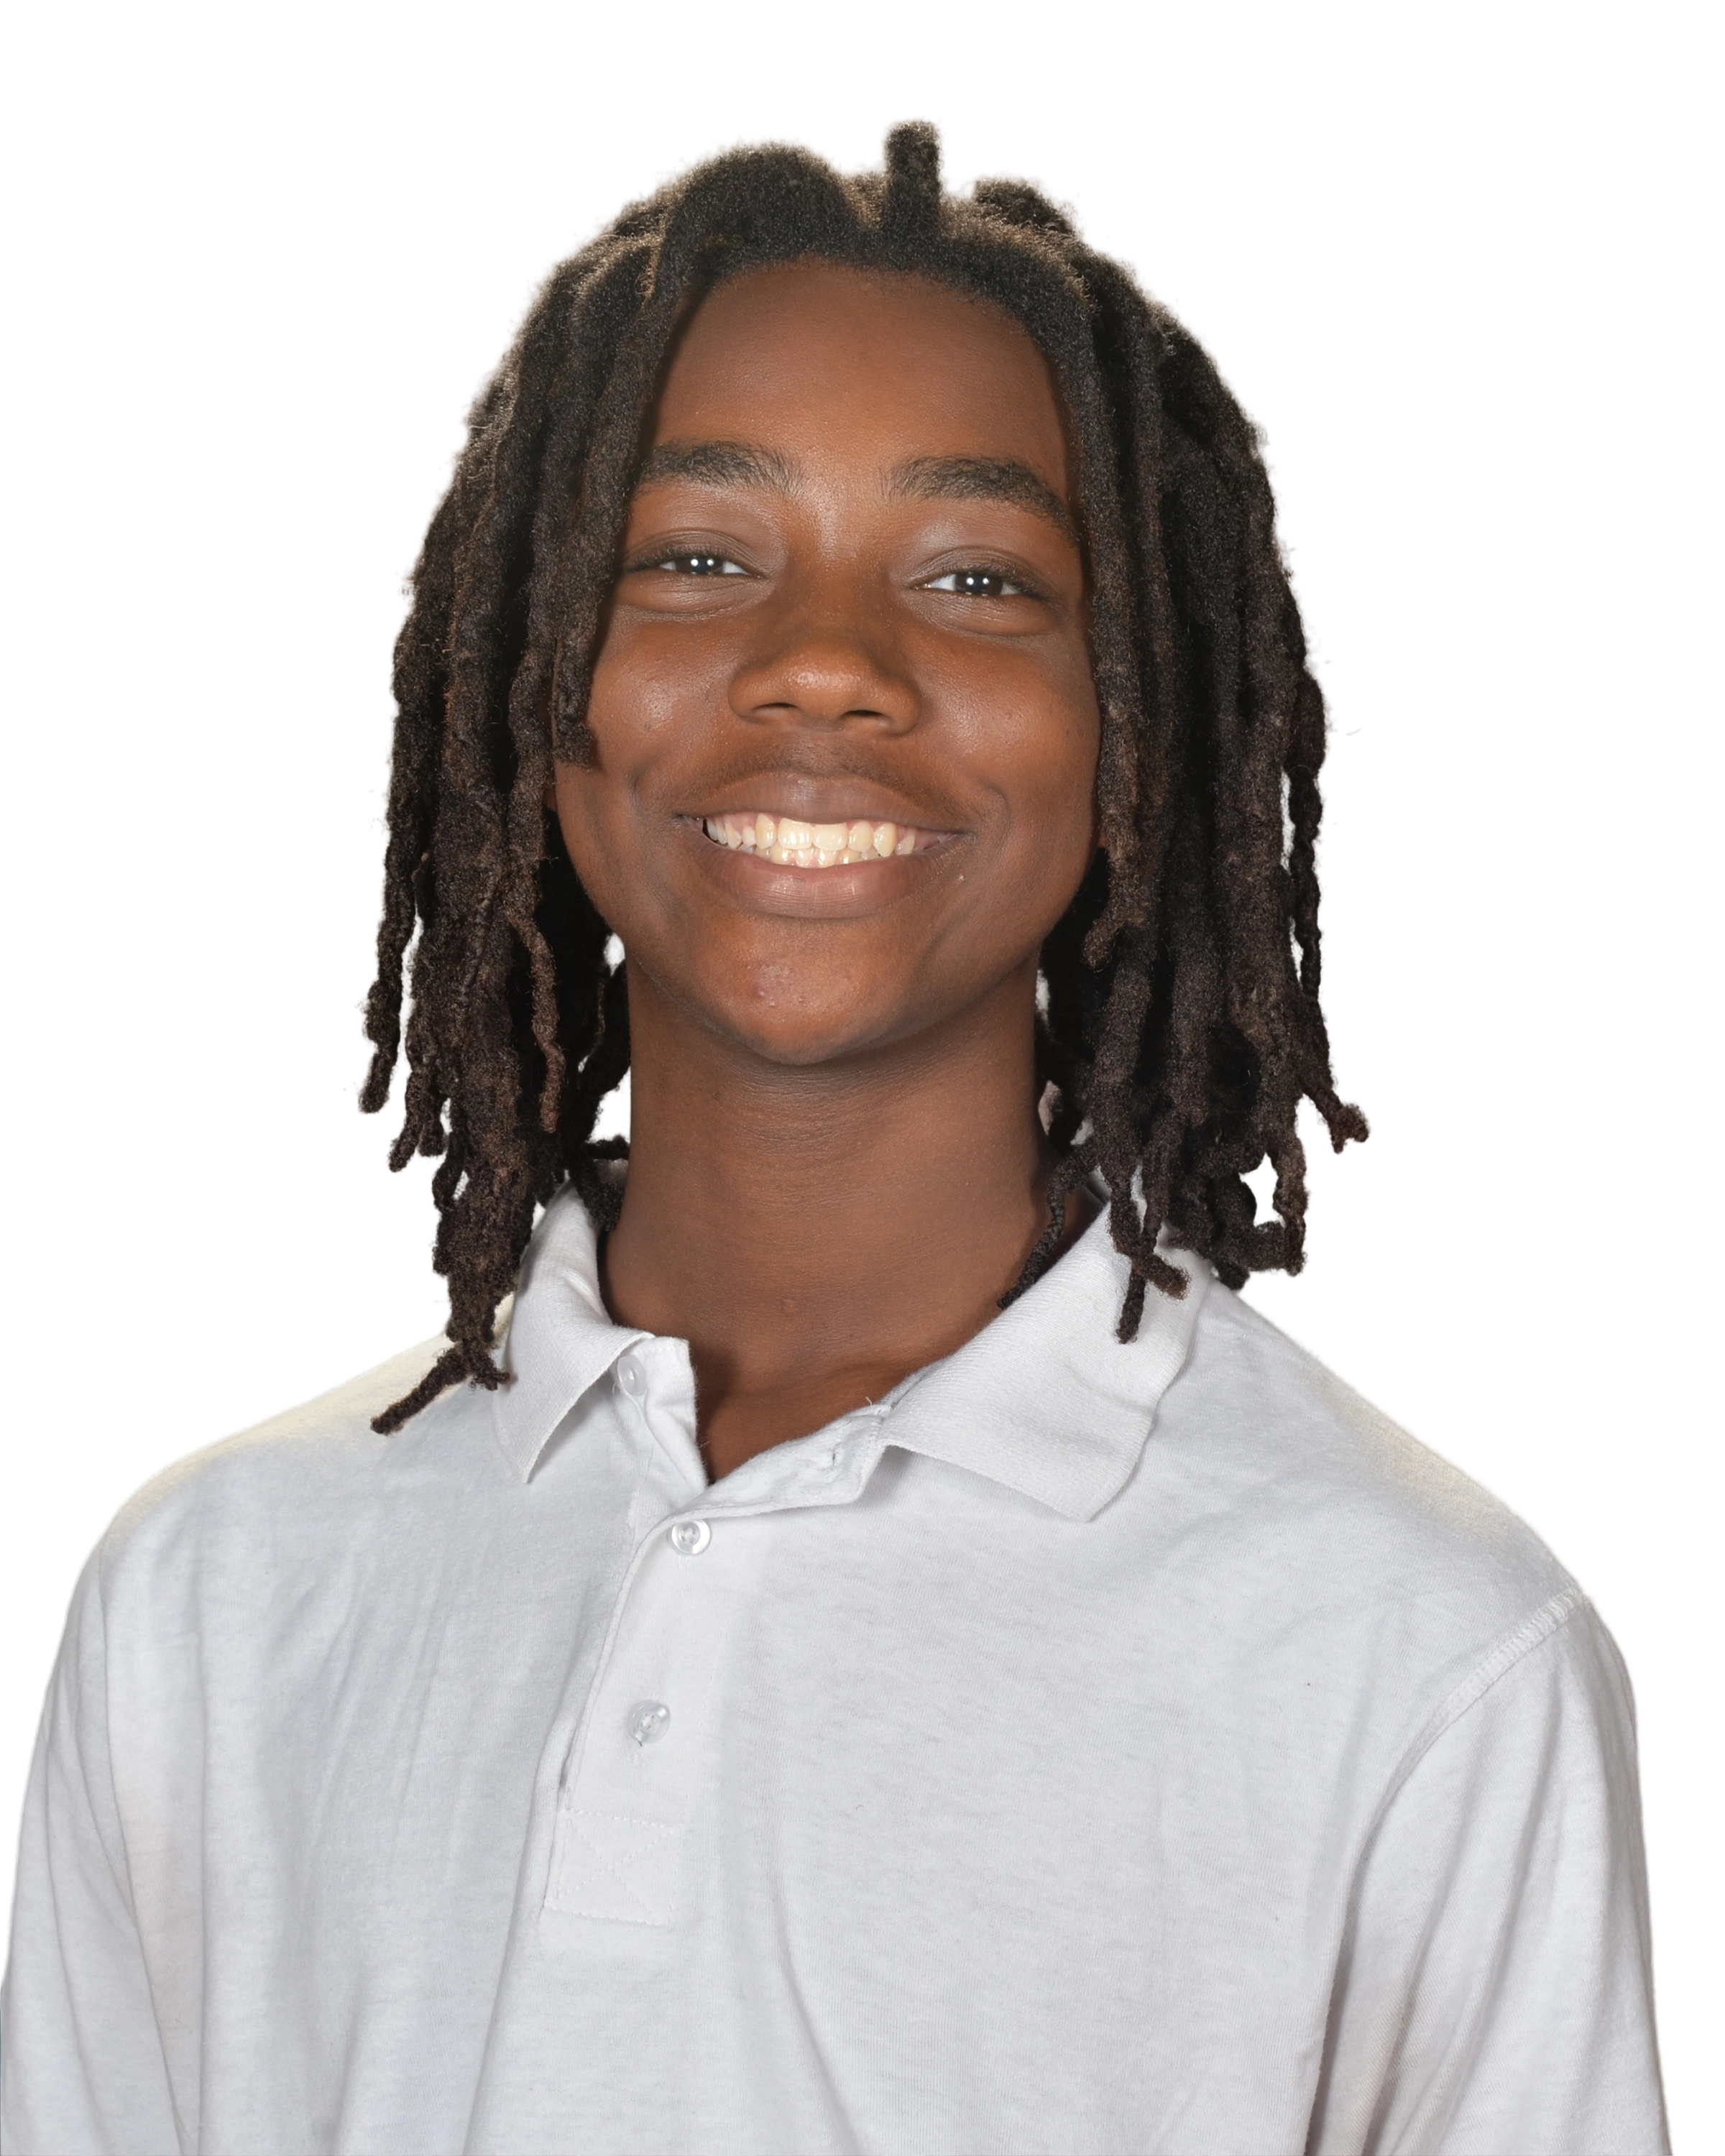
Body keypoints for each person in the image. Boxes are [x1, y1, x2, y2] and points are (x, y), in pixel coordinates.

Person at [1, 118, 1671, 2155]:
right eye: (699, 557)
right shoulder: (211, 1596)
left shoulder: (1426, 1648)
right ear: (532, 672)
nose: (822, 665)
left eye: (978, 579)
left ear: (1140, 724)